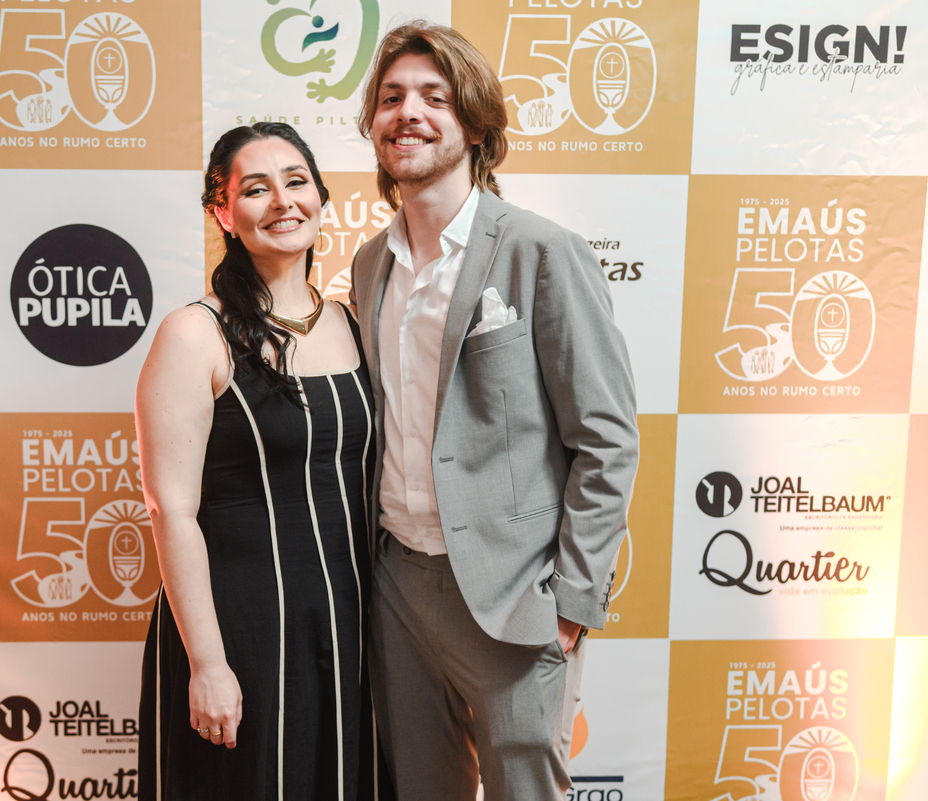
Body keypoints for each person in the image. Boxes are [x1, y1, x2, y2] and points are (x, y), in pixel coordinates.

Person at [349, 22, 640, 800]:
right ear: (374, 125)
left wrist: (572, 600)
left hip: (516, 596)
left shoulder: (541, 251)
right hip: (398, 589)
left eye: (433, 97)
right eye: (391, 98)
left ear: (475, 125)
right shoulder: (370, 263)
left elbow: (607, 438)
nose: (408, 113)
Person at [136, 122, 378, 801]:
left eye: (296, 182)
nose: (282, 201)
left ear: (321, 198)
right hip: (239, 630)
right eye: (255, 189)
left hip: (352, 626)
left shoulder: (356, 322)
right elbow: (170, 510)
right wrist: (207, 663)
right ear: (223, 213)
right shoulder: (194, 333)